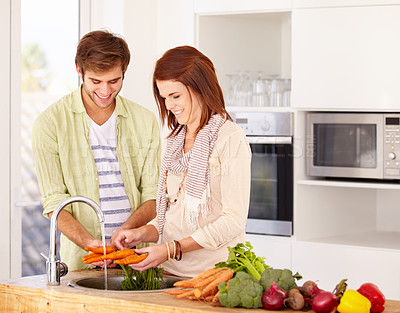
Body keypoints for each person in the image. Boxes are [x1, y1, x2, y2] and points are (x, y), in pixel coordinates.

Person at [111, 45, 251, 277]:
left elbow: (233, 220)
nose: (169, 105)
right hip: (169, 274)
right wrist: (141, 233)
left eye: (175, 96)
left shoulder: (230, 139)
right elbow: (173, 218)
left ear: (201, 88)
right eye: (164, 97)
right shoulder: (175, 141)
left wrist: (172, 249)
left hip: (213, 276)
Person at [32, 30, 161, 271]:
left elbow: (153, 196)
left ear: (124, 72)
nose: (105, 91)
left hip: (139, 259)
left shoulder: (145, 121)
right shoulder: (50, 123)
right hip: (82, 263)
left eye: (114, 81)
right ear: (79, 70)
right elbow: (54, 203)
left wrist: (126, 232)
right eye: (96, 81)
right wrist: (91, 244)